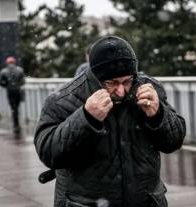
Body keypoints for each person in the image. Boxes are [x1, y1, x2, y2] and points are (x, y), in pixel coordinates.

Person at [34, 36, 186, 207]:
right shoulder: (64, 99)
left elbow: (174, 140)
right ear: (96, 78)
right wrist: (86, 118)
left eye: (127, 81)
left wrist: (158, 115)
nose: (121, 91)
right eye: (112, 83)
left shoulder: (148, 89)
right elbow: (48, 152)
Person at [0, 56, 25, 135]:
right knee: (17, 107)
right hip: (18, 91)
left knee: (13, 108)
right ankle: (17, 123)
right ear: (14, 62)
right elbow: (23, 81)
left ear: (7, 63)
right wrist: (17, 85)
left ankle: (15, 124)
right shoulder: (19, 70)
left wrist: (6, 85)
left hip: (10, 91)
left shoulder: (4, 71)